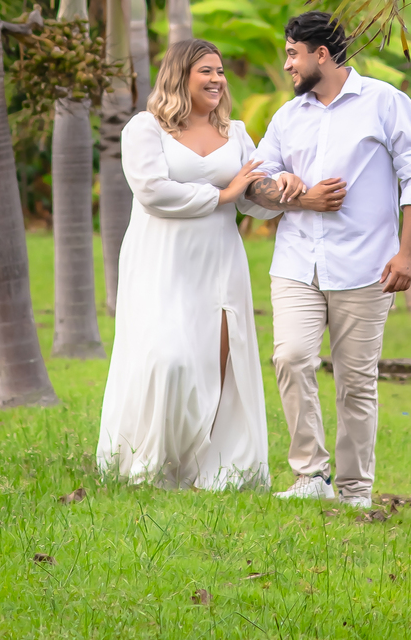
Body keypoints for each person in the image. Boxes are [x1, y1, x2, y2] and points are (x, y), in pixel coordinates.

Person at [246, 12, 411, 507]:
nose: (287, 64)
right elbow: (257, 182)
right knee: (290, 357)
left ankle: (354, 490)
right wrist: (292, 194)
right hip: (296, 263)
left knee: (355, 382)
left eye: (292, 53)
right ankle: (310, 476)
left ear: (321, 55)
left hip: (366, 267)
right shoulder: (289, 117)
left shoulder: (385, 102)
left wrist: (407, 254)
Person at [97, 38, 295, 489]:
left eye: (221, 72)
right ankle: (152, 463)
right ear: (179, 75)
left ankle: (216, 468)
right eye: (207, 70)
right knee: (167, 357)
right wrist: (222, 195)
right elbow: (151, 191)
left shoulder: (237, 134)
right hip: (160, 260)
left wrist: (279, 186)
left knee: (217, 362)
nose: (217, 80)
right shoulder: (145, 129)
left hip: (220, 261)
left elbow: (255, 203)